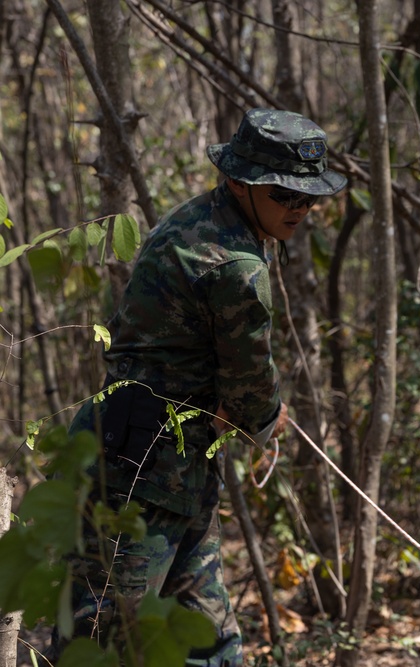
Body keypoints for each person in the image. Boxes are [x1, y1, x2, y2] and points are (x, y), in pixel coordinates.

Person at [51, 108, 347, 665]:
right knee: (103, 637)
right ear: (240, 182)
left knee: (206, 638)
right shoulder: (234, 263)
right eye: (286, 196)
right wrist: (265, 417)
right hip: (135, 468)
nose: (300, 211)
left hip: (181, 461)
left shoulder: (206, 219)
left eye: (311, 199)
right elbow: (250, 384)